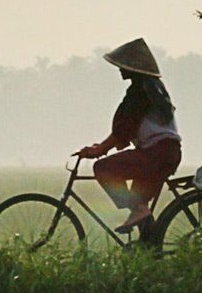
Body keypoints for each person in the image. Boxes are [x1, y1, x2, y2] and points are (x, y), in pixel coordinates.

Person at [76, 38, 181, 235]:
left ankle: (140, 211)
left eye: (123, 65)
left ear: (134, 67)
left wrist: (99, 150)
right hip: (165, 153)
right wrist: (103, 146)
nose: (120, 69)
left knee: (103, 168)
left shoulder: (141, 91)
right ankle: (150, 250)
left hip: (156, 154)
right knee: (139, 204)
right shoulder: (151, 87)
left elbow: (124, 129)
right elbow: (125, 129)